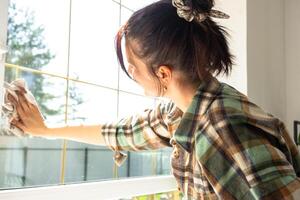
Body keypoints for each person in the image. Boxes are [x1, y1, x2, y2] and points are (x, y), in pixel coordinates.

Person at [7, 0, 300, 199]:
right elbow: (120, 133)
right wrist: (43, 130)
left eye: (132, 67)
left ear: (162, 73)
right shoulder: (180, 114)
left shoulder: (223, 128)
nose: (130, 74)